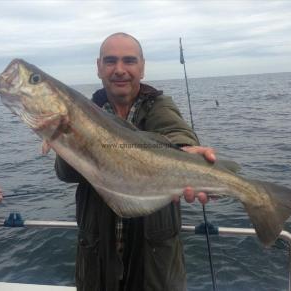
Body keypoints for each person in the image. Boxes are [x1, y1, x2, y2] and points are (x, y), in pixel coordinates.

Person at [55, 32, 216, 291]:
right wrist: (64, 138)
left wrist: (184, 153)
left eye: (129, 61)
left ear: (142, 67)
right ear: (98, 68)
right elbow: (66, 173)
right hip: (96, 260)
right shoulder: (83, 111)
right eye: (110, 61)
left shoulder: (159, 105)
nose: (119, 70)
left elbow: (177, 134)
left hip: (156, 266)